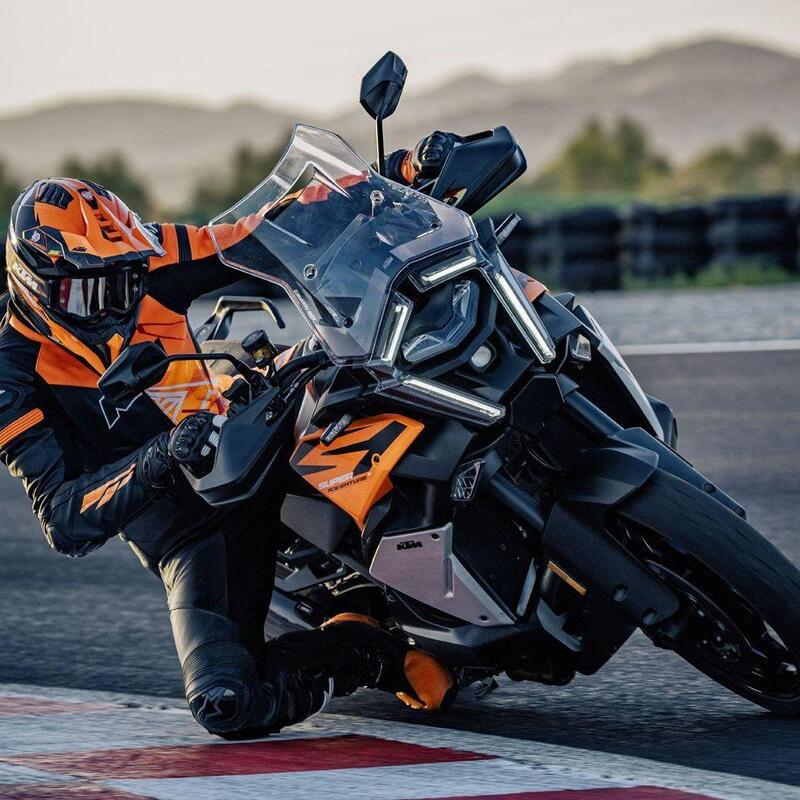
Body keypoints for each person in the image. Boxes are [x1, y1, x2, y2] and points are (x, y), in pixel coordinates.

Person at [0, 132, 461, 738]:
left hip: (252, 436)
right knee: (228, 703)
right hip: (187, 528)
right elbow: (64, 520)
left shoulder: (149, 253)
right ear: (33, 283)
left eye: (125, 281)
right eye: (90, 290)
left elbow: (265, 228)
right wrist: (160, 457)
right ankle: (366, 650)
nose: (114, 305)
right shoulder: (10, 377)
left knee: (362, 367)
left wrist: (397, 173)